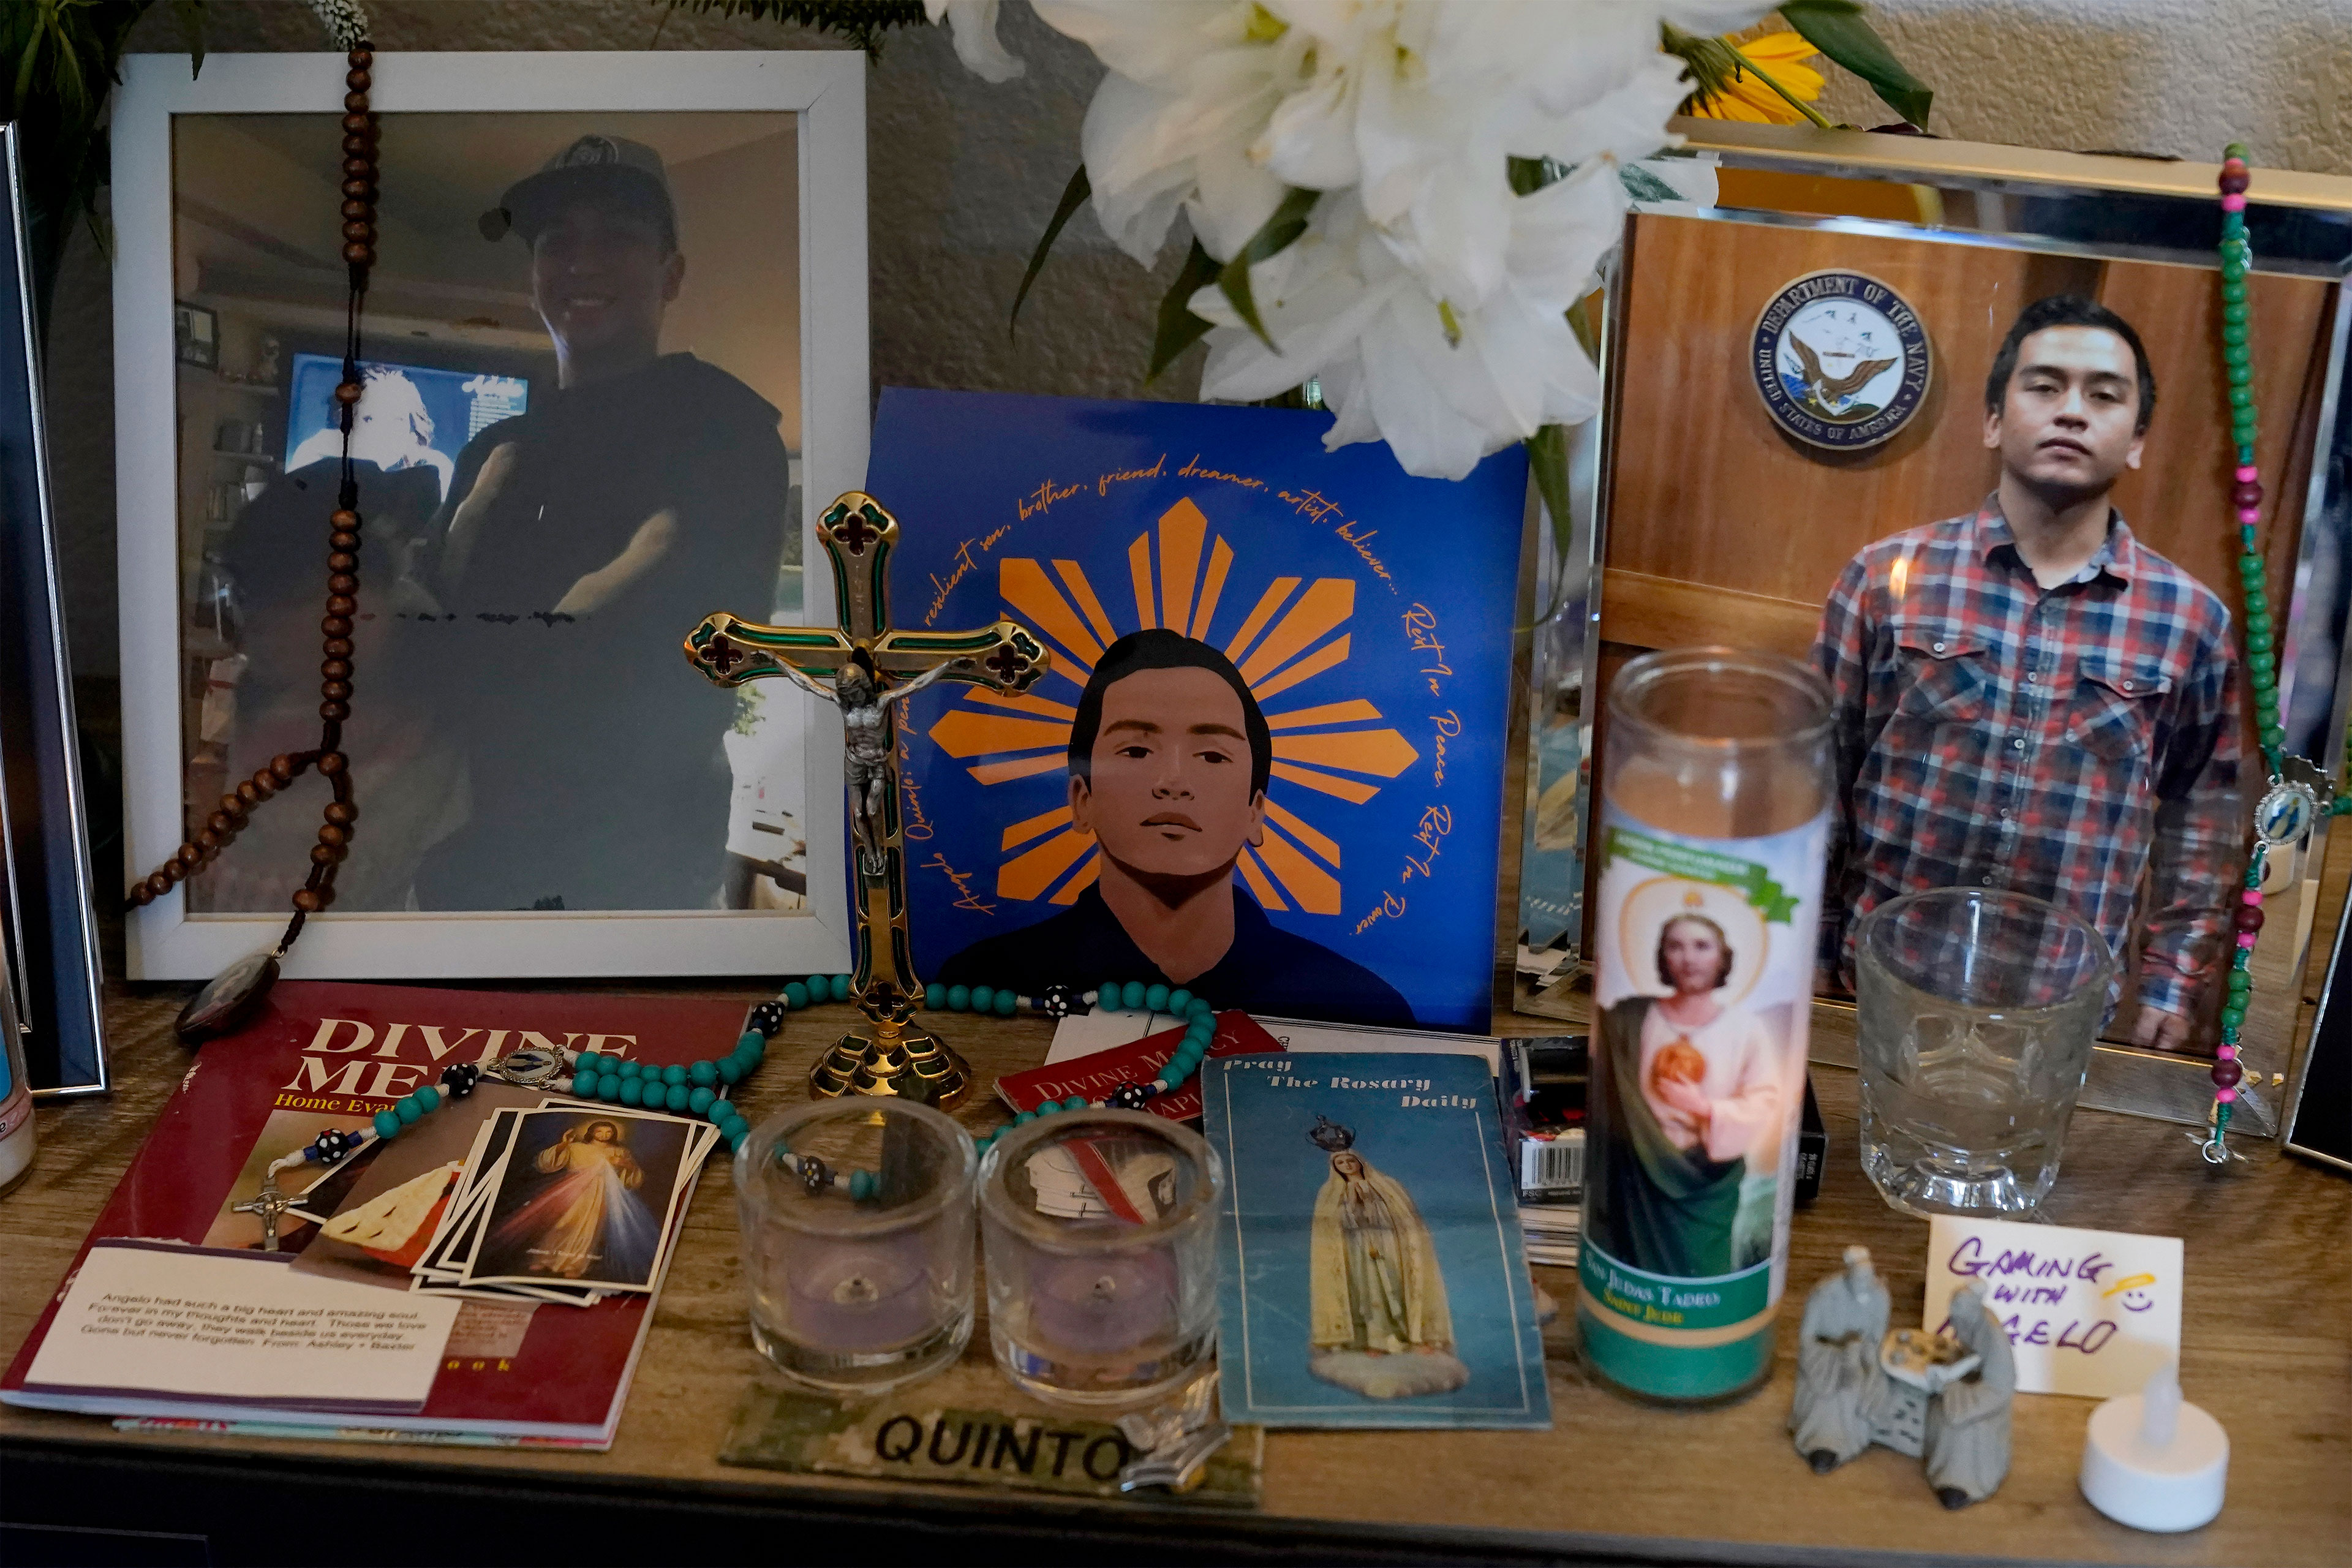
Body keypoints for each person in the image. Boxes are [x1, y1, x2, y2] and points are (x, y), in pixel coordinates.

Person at [1813, 295, 2239, 1050]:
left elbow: (2199, 817)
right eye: (2044, 387)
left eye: (2104, 396)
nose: (2072, 412)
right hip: (1875, 988)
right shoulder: (1882, 579)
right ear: (1992, 420)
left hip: (2058, 1015)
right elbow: (1815, 776)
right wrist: (1806, 944)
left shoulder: (2191, 622)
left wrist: (2176, 979)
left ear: (2137, 440)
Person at [408, 133, 791, 910]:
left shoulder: (727, 430)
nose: (584, 263)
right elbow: (433, 634)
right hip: (469, 854)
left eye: (617, 237)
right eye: (559, 243)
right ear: (535, 277)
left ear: (670, 273)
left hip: (631, 869)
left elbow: (690, 661)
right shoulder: (493, 448)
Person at [935, 628, 1415, 1026]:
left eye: (1212, 755)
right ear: (1083, 800)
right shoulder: (988, 982)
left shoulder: (1358, 1007)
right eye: (1137, 752)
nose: (1173, 783)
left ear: (1256, 811)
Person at [1590, 910, 1786, 1278]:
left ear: (1722, 957)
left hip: (1704, 1185)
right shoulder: (1630, 1018)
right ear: (1663, 957)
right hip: (1637, 1175)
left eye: (1702, 946)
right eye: (1676, 946)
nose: (1689, 958)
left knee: (1701, 1272)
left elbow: (1766, 1101)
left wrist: (1703, 1108)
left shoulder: (1745, 1029)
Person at [1305, 1118, 1467, 1400]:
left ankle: (1414, 1339)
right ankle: (1374, 1340)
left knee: (1400, 1290)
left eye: (1350, 1162)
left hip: (1391, 1246)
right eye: (1340, 1164)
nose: (1347, 1167)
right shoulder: (1331, 1194)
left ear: (1359, 1162)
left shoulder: (1388, 1186)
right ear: (1335, 1168)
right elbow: (1327, 1229)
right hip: (1356, 1251)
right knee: (1366, 1294)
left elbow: (1407, 1219)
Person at [484, 1119, 658, 1281]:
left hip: (601, 1193)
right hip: (573, 1189)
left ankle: (574, 1265)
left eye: (608, 1132)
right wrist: (564, 1145)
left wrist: (628, 1166)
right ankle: (546, 1258)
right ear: (592, 1132)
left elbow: (631, 1179)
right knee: (563, 1224)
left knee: (588, 1229)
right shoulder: (576, 1148)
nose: (604, 1135)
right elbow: (547, 1163)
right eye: (600, 1131)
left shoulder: (620, 1152)